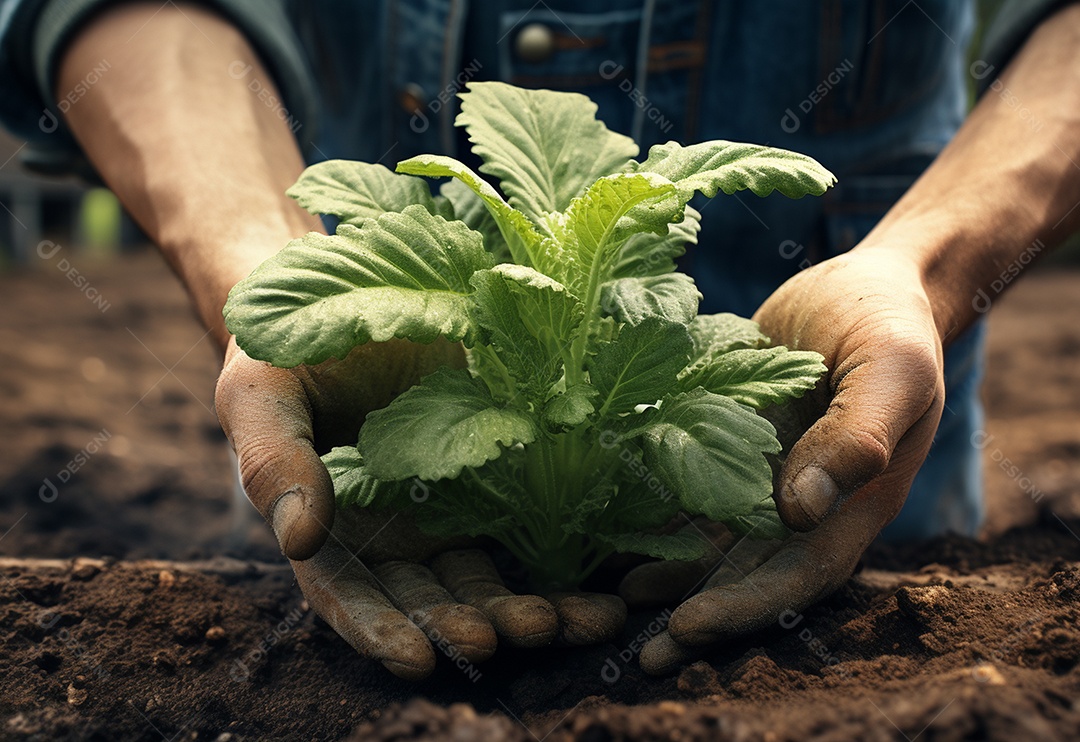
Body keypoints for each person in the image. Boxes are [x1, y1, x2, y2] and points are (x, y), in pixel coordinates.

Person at [1, 0, 1076, 679]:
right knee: (331, 596)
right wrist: (253, 251)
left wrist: (922, 269)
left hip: (833, 530)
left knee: (827, 597)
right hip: (388, 509)